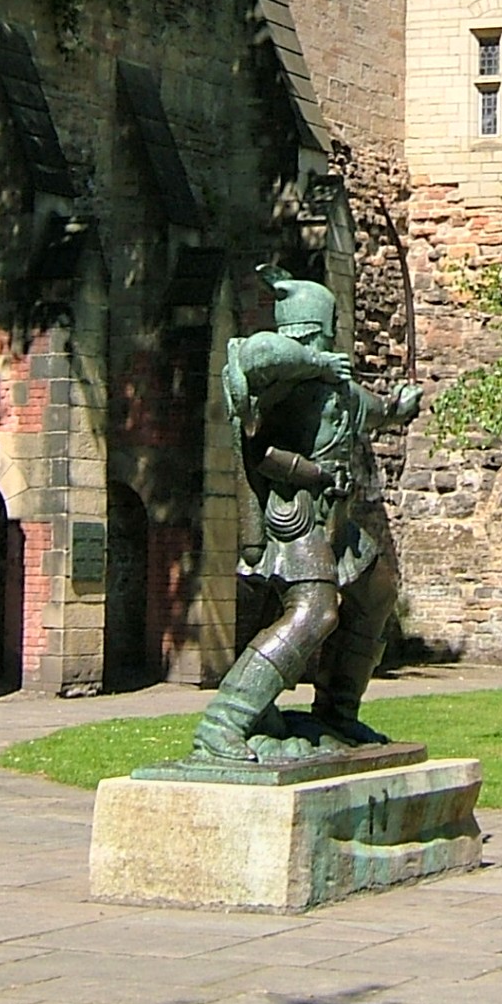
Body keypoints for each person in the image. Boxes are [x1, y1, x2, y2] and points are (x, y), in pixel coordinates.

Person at [187, 272, 423, 761]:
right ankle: (223, 721)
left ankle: (337, 714)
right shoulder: (277, 375)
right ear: (317, 327)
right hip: (294, 516)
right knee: (315, 612)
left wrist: (399, 407)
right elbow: (253, 360)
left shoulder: (335, 386)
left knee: (376, 591)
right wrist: (314, 361)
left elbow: (370, 410)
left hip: (335, 521)